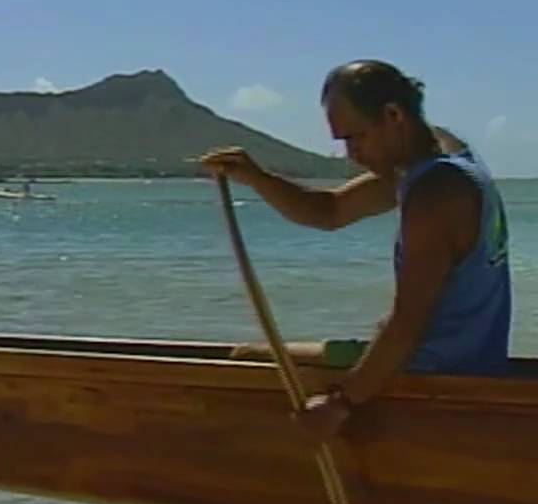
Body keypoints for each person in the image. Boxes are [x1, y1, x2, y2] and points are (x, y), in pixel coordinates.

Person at [200, 59, 512, 441]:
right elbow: (329, 212)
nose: (351, 154)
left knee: (247, 359)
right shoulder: (435, 159)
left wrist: (340, 404)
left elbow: (405, 325)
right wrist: (254, 176)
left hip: (433, 367)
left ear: (394, 115)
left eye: (355, 137)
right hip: (471, 357)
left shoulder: (436, 195)